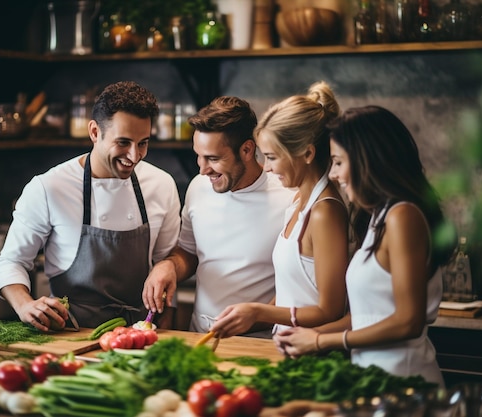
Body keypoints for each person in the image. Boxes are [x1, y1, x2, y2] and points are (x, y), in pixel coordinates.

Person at [274, 105, 455, 385]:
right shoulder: (378, 218)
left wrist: (322, 341)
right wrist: (306, 337)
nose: (333, 173)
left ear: (368, 160)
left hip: (405, 382)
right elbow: (367, 316)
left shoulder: (403, 216)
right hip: (374, 380)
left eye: (339, 162)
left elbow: (409, 321)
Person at [0, 81, 181, 330]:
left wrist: (164, 332)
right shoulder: (49, 187)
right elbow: (11, 262)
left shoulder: (161, 184)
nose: (134, 156)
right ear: (94, 132)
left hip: (141, 333)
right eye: (123, 142)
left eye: (143, 143)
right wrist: (24, 305)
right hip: (71, 333)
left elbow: (166, 266)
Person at [142, 96, 295, 337]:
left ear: (247, 149)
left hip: (262, 342)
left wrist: (257, 317)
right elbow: (189, 253)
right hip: (201, 336)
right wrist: (168, 266)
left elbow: (300, 287)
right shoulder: (199, 187)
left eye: (213, 159)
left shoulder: (289, 197)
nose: (202, 169)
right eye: (199, 156)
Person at [209, 81, 349, 338]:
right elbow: (292, 292)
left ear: (307, 153)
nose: (267, 168)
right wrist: (248, 317)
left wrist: (259, 312)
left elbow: (330, 310)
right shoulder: (298, 202)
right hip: (287, 347)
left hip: (313, 354)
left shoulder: (325, 212)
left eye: (272, 157)